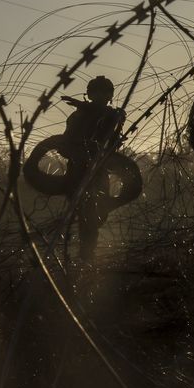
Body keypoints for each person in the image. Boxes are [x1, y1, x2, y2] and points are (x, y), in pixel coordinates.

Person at [61, 76, 126, 262]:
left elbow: (113, 143)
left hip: (99, 171)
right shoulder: (78, 116)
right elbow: (64, 146)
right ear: (90, 94)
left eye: (104, 93)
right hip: (78, 171)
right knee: (84, 215)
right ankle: (84, 256)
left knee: (97, 214)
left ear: (109, 95)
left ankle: (86, 254)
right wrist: (81, 153)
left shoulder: (113, 116)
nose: (100, 96)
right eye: (96, 92)